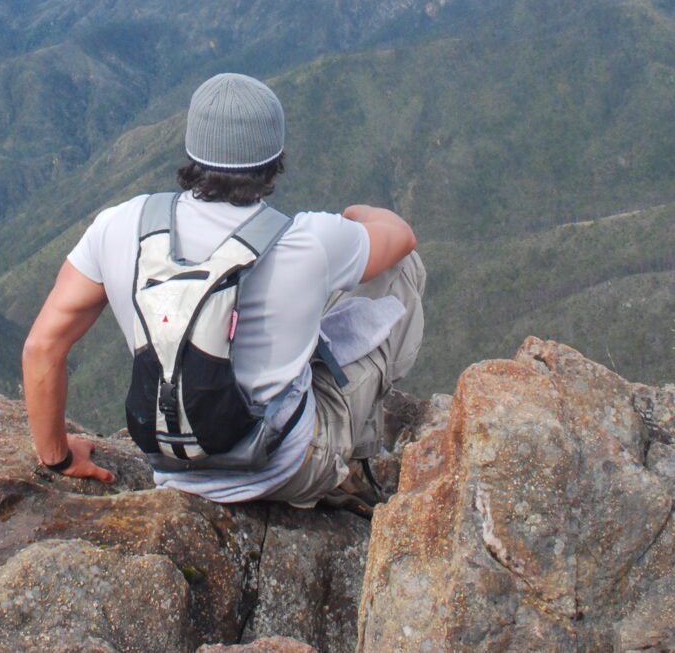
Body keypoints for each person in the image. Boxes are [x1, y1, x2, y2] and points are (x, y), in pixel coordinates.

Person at [22, 72, 425, 507]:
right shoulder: (308, 239)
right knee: (401, 272)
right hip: (284, 469)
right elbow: (401, 238)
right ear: (275, 159)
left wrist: (58, 458)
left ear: (192, 149)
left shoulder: (120, 225)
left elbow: (43, 347)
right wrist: (351, 216)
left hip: (170, 463)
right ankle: (351, 461)